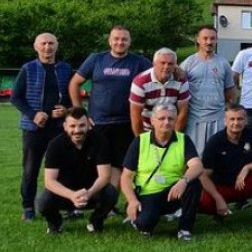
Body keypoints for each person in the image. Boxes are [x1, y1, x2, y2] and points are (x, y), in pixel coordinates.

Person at [69, 25, 151, 190]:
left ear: (130, 42)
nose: (120, 42)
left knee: (118, 165)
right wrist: (80, 113)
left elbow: (161, 69)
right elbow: (74, 83)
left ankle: (109, 202)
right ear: (109, 41)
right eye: (116, 39)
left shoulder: (139, 62)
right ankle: (84, 198)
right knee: (92, 162)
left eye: (124, 39)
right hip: (97, 122)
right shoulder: (96, 59)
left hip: (126, 122)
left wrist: (176, 68)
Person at [12, 32, 73, 221]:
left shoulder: (65, 69)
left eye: (51, 43)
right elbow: (16, 97)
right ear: (36, 47)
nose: (48, 47)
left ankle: (67, 205)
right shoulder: (28, 69)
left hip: (59, 128)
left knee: (64, 168)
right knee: (31, 169)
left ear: (57, 45)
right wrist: (33, 114)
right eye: (44, 43)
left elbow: (71, 97)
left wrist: (65, 110)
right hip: (34, 129)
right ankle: (29, 207)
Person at [120, 104, 203, 240]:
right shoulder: (140, 141)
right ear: (152, 121)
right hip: (148, 194)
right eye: (161, 118)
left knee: (194, 183)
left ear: (176, 120)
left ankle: (184, 229)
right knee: (145, 225)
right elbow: (126, 177)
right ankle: (138, 214)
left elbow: (197, 166)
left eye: (170, 119)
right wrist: (132, 200)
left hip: (173, 191)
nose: (166, 122)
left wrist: (183, 181)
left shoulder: (183, 140)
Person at [36, 107, 117, 234]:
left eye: (81, 125)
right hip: (64, 194)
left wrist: (89, 193)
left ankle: (96, 222)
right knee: (43, 200)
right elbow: (49, 181)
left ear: (89, 125)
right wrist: (72, 195)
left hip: (91, 192)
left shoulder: (100, 141)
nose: (77, 130)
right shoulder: (55, 145)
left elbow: (105, 176)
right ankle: (55, 223)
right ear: (65, 126)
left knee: (111, 193)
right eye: (72, 126)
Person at [198, 104, 252, 227]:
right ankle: (218, 213)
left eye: (240, 119)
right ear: (225, 121)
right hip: (222, 188)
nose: (236, 123)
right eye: (232, 119)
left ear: (246, 120)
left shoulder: (250, 134)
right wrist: (218, 198)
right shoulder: (215, 141)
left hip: (245, 185)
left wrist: (248, 167)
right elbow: (204, 175)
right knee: (201, 201)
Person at [180, 25, 236, 156]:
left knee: (217, 156)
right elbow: (179, 90)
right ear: (198, 40)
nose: (209, 42)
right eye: (205, 38)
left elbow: (230, 93)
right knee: (194, 156)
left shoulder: (223, 63)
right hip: (195, 119)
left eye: (212, 38)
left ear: (216, 40)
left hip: (218, 117)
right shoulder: (188, 63)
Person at [129, 47, 190, 136]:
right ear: (154, 63)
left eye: (170, 64)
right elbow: (136, 117)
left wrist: (175, 137)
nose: (166, 67)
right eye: (162, 63)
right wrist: (141, 140)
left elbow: (183, 113)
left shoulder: (181, 80)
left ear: (175, 65)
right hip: (147, 130)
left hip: (171, 129)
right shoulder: (140, 82)